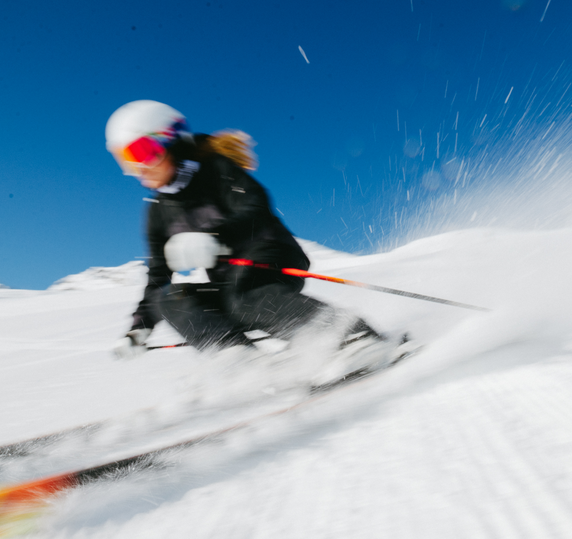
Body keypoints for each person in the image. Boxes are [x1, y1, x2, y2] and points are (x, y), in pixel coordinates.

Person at [106, 100, 393, 382]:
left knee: (244, 296)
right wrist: (139, 327)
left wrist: (215, 238)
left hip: (269, 254)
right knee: (170, 299)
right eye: (126, 160)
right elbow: (158, 275)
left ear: (172, 140)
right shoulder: (157, 212)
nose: (138, 168)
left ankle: (354, 338)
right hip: (230, 280)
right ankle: (237, 358)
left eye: (142, 152)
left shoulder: (215, 169)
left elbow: (255, 208)